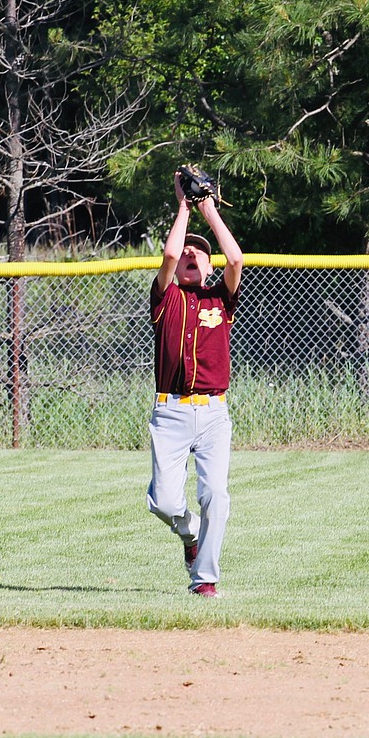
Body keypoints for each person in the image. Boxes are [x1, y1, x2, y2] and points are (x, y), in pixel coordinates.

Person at [146, 170, 244, 596]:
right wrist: (184, 208)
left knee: (216, 496)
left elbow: (236, 259)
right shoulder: (165, 297)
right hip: (170, 411)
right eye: (187, 249)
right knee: (163, 502)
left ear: (208, 267)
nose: (189, 253)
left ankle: (204, 580)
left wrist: (210, 212)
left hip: (213, 414)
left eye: (198, 252)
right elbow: (167, 257)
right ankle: (190, 535)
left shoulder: (220, 298)